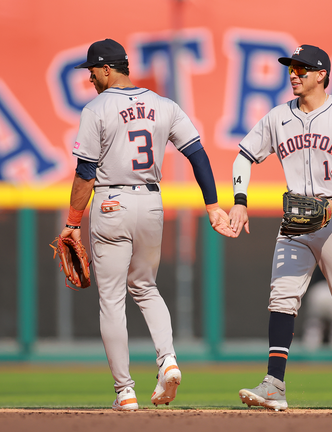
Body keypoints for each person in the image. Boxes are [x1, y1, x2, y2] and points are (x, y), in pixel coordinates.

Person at [59, 38, 234, 411]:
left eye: (91, 71)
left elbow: (86, 172)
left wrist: (73, 222)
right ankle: (167, 360)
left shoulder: (96, 108)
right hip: (151, 204)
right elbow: (197, 154)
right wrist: (213, 205)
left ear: (107, 69)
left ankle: (125, 392)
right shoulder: (163, 104)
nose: (89, 78)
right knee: (146, 287)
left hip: (111, 203)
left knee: (111, 300)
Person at [228, 44, 332, 411]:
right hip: (296, 221)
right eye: (291, 68)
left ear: (322, 75)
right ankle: (274, 385)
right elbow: (243, 156)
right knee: (281, 298)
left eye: (302, 68)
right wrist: (240, 200)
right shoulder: (277, 117)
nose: (294, 74)